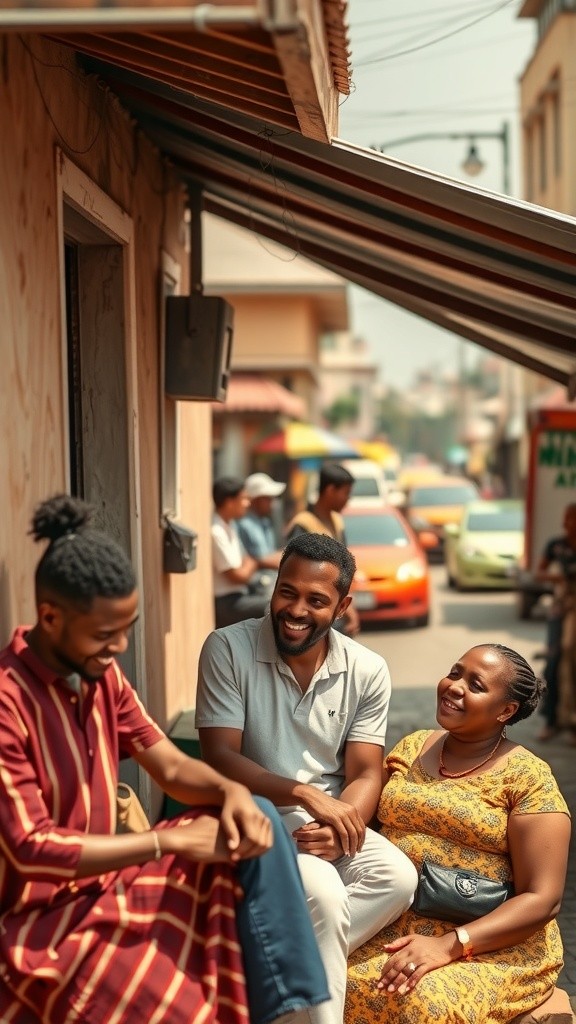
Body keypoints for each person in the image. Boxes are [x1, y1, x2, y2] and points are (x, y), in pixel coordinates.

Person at [0, 494, 330, 1024]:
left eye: (127, 628)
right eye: (106, 635)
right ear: (49, 617)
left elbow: (171, 766)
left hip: (109, 882)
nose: (121, 646)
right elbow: (30, 850)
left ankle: (296, 1013)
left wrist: (231, 793)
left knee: (255, 819)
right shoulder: (7, 702)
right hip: (43, 921)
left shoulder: (99, 675)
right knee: (181, 997)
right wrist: (165, 840)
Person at [196, 532, 418, 1024]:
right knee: (323, 892)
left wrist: (345, 827)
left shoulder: (367, 668)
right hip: (252, 816)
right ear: (273, 588)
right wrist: (304, 796)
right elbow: (219, 757)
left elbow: (364, 772)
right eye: (287, 592)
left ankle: (261, 964)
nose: (296, 610)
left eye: (317, 600)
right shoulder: (227, 648)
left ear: (343, 607)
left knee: (398, 878)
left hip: (326, 824)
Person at [345, 643, 571, 1024]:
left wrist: (450, 945)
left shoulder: (529, 777)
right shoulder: (413, 746)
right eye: (454, 672)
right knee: (328, 977)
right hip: (394, 924)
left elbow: (542, 898)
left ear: (506, 711)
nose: (454, 686)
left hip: (488, 944)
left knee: (419, 1001)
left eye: (475, 684)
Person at [285, 463, 360, 637]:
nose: (348, 499)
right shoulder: (304, 524)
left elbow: (345, 570)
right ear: (330, 490)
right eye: (346, 493)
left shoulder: (337, 521)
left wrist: (347, 606)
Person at [535, 502, 576, 743]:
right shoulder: (556, 546)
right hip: (561, 611)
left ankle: (572, 724)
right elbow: (539, 572)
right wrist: (557, 577)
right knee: (553, 663)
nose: (569, 524)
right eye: (567, 519)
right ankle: (551, 719)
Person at [211, 475, 271, 628]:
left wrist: (249, 564)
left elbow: (246, 562)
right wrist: (253, 564)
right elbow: (238, 576)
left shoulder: (229, 526)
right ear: (230, 502)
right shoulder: (216, 531)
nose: (247, 503)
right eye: (243, 499)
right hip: (227, 603)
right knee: (273, 606)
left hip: (240, 596)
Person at [237, 471, 286, 570]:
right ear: (255, 500)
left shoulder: (263, 521)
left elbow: (270, 554)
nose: (272, 503)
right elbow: (262, 559)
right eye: (267, 499)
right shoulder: (246, 524)